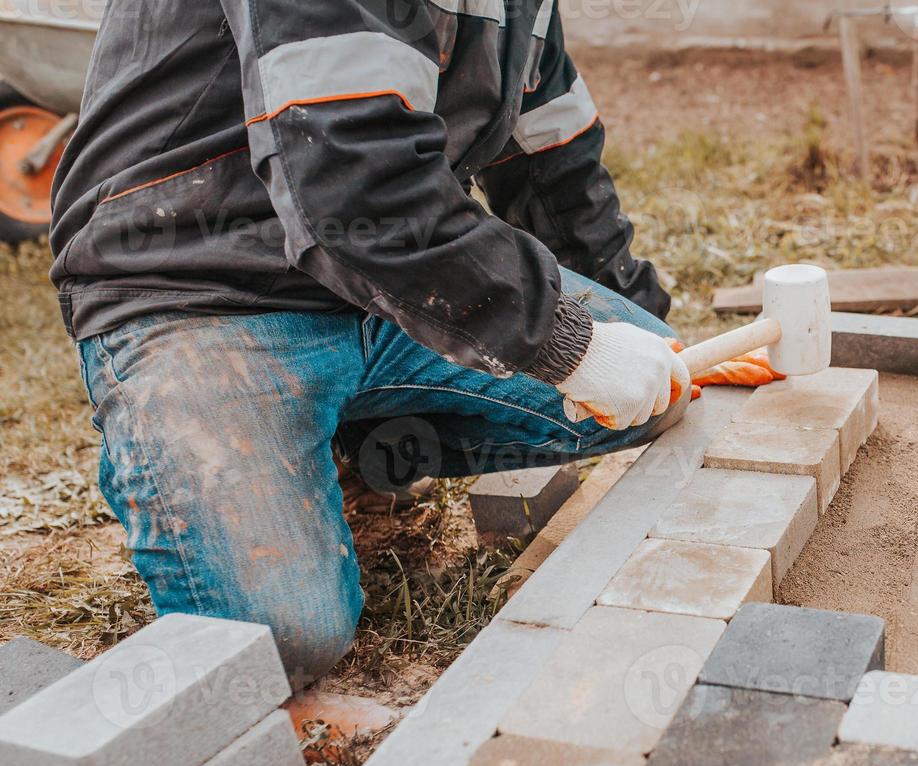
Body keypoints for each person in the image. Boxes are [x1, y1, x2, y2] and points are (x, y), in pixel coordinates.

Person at [48, 0, 774, 690]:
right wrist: (569, 346)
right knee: (279, 640)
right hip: (199, 293)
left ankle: (344, 435)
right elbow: (351, 180)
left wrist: (647, 342)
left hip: (388, 282)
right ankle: (179, 453)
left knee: (653, 395)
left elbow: (556, 169)